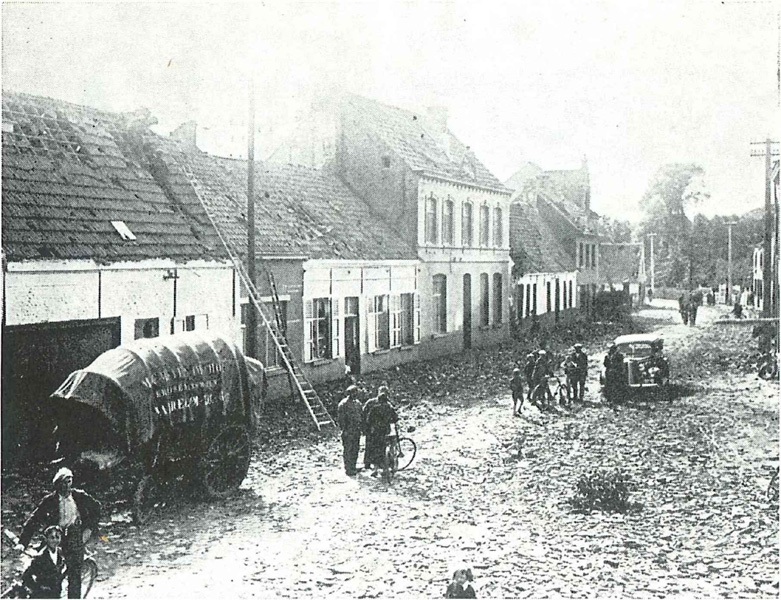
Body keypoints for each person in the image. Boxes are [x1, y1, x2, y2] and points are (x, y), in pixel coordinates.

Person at [18, 468, 101, 599]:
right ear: (57, 485)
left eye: (69, 481)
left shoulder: (79, 496)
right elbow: (34, 520)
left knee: (74, 576)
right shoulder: (49, 501)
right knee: (46, 573)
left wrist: (89, 529)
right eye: (63, 483)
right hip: (55, 537)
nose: (67, 486)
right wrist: (22, 543)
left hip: (74, 538)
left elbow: (97, 509)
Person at [21, 525, 67, 599]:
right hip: (42, 595)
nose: (55, 540)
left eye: (57, 537)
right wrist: (38, 588)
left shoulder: (60, 553)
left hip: (56, 594)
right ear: (46, 539)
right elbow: (26, 576)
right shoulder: (40, 557)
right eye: (52, 537)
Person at [364, 388, 398, 477]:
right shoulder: (389, 407)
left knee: (376, 449)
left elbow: (368, 419)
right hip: (386, 431)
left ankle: (375, 469)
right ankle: (389, 467)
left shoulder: (375, 408)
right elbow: (395, 419)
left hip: (376, 432)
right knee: (388, 447)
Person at [337, 385, 363, 476]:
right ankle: (348, 469)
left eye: (356, 392)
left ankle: (353, 466)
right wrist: (344, 430)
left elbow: (361, 415)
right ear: (349, 393)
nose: (355, 394)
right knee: (348, 449)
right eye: (353, 392)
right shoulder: (343, 404)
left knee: (355, 448)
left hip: (356, 430)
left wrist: (362, 427)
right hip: (348, 430)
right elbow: (341, 419)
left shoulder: (358, 403)